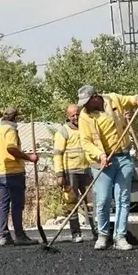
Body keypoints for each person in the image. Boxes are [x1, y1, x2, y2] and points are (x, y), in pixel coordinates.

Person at [76, 85, 138, 251]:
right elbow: (86, 142)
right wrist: (100, 155)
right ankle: (103, 235)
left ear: (95, 97)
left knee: (123, 198)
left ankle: (120, 237)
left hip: (123, 157)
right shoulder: (85, 117)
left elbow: (130, 99)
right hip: (101, 161)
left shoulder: (113, 98)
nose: (84, 105)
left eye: (87, 101)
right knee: (103, 200)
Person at [0, 106, 39, 246]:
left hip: (0, 172)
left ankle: (4, 236)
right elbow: (11, 148)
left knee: (3, 205)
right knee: (17, 205)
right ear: (15, 117)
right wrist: (29, 158)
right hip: (14, 172)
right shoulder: (10, 130)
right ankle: (19, 235)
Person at [53, 103, 96, 243]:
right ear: (68, 116)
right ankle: (76, 233)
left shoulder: (86, 128)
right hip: (70, 172)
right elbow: (57, 154)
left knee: (91, 203)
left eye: (77, 114)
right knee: (71, 203)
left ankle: (97, 232)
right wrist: (59, 174)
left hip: (87, 171)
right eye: (72, 115)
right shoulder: (63, 131)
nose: (76, 117)